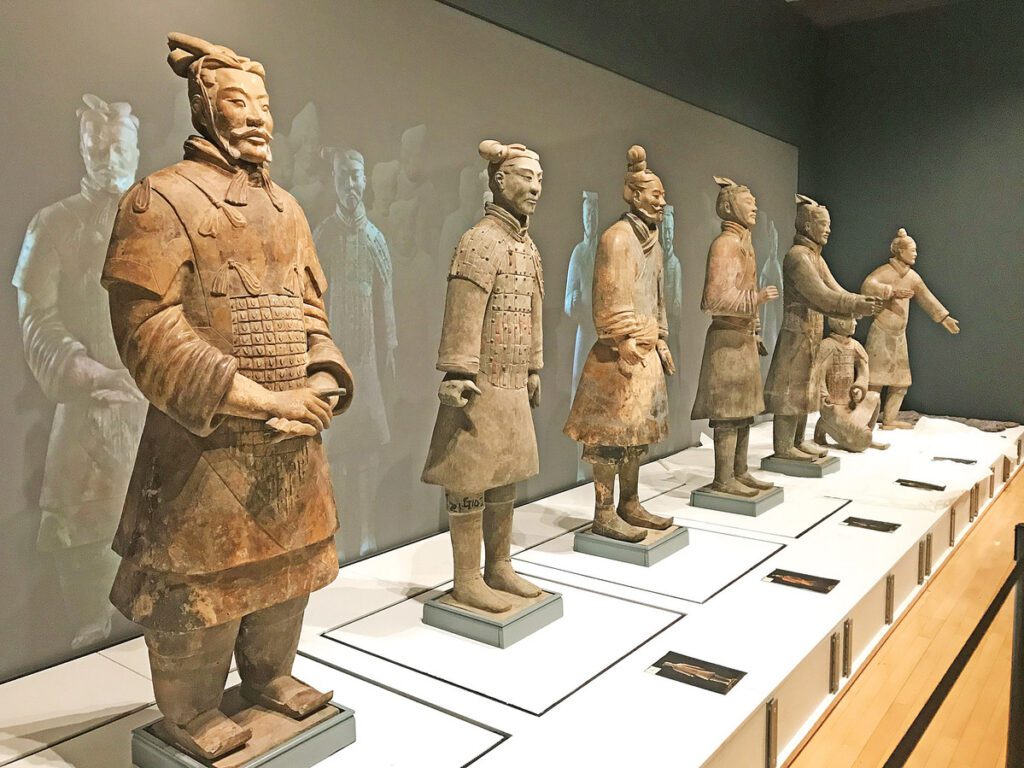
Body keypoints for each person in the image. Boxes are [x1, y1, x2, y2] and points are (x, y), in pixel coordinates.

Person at [102, 34, 353, 760]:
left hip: (291, 434)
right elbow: (147, 329)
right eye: (238, 103)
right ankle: (191, 710)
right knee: (200, 583)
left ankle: (272, 675)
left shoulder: (288, 209)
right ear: (205, 106)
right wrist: (257, 400)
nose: (257, 119)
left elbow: (311, 311)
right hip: (203, 439)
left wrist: (321, 380)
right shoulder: (161, 199)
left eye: (264, 105)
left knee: (287, 570)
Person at [13, 94, 147, 650]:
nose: (107, 158)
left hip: (155, 412)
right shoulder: (53, 225)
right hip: (88, 421)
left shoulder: (161, 221)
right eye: (96, 147)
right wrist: (88, 372)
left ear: (135, 150)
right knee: (87, 557)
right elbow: (36, 319)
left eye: (118, 147)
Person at [421, 140, 545, 614]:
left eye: (538, 179)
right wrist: (456, 370)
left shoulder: (526, 246)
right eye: (525, 177)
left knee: (505, 474)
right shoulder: (480, 240)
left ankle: (499, 567)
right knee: (470, 478)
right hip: (483, 380)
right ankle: (467, 579)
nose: (535, 187)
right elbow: (463, 311)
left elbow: (534, 310)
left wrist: (534, 365)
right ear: (499, 180)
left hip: (513, 379)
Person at [564, 146, 675, 542]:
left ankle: (630, 502)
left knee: (637, 436)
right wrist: (624, 337)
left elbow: (658, 299)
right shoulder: (616, 239)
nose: (662, 202)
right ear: (634, 194)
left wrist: (660, 339)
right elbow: (608, 296)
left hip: (645, 352)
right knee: (609, 440)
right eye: (655, 195)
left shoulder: (656, 246)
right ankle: (604, 511)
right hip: (618, 354)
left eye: (663, 195)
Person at [315, 148, 397, 556]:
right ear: (333, 179)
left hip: (365, 356)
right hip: (331, 354)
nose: (351, 184)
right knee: (337, 451)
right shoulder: (324, 235)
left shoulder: (374, 237)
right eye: (344, 175)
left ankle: (365, 530)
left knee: (366, 448)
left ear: (366, 180)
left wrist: (392, 344)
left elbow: (387, 296)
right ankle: (338, 529)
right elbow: (309, 295)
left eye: (357, 175)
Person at [763, 195, 880, 461]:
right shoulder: (798, 257)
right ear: (806, 226)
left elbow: (834, 289)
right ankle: (783, 447)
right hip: (796, 335)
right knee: (790, 392)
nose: (828, 229)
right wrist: (856, 303)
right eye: (823, 224)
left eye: (829, 224)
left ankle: (797, 442)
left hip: (811, 334)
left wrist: (856, 303)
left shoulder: (814, 257)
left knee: (806, 389)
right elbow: (821, 296)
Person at [691, 177, 779, 496]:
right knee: (727, 415)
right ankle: (723, 478)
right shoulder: (725, 245)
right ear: (729, 206)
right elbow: (713, 299)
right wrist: (754, 299)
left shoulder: (745, 244)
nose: (755, 205)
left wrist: (754, 331)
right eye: (748, 200)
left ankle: (739, 471)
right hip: (726, 341)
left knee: (743, 412)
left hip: (742, 340)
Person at [860, 228, 960, 429]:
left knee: (901, 382)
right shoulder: (885, 272)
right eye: (912, 250)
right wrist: (892, 291)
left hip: (899, 335)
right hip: (881, 331)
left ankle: (888, 420)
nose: (915, 254)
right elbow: (867, 286)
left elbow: (926, 298)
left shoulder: (913, 277)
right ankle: (864, 421)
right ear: (899, 251)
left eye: (915, 250)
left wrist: (944, 318)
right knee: (875, 381)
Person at [813, 316, 888, 451]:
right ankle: (826, 426)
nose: (855, 323)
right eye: (852, 320)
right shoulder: (827, 345)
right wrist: (824, 398)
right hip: (834, 405)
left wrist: (859, 387)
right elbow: (818, 374)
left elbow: (863, 368)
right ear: (841, 323)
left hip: (850, 402)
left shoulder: (855, 345)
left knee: (874, 398)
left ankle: (866, 433)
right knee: (858, 444)